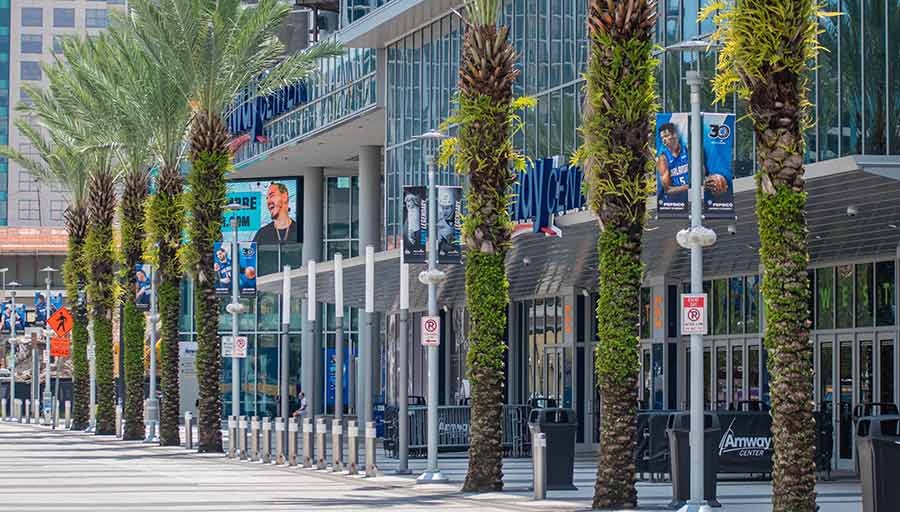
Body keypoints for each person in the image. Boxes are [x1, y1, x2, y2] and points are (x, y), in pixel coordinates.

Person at [656, 122, 690, 209]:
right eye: (662, 137)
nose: (664, 140)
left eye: (666, 136)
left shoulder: (688, 150)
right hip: (673, 205)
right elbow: (668, 190)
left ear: (675, 135)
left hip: (692, 201)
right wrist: (691, 186)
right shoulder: (663, 158)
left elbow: (702, 176)